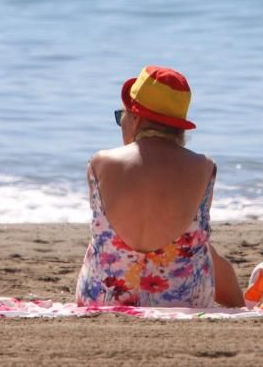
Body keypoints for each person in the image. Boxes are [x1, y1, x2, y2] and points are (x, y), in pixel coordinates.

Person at [75, 66, 244, 307]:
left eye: (121, 115)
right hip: (183, 301)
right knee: (199, 246)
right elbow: (199, 246)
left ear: (136, 118)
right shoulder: (203, 167)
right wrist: (240, 304)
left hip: (102, 299)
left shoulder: (100, 163)